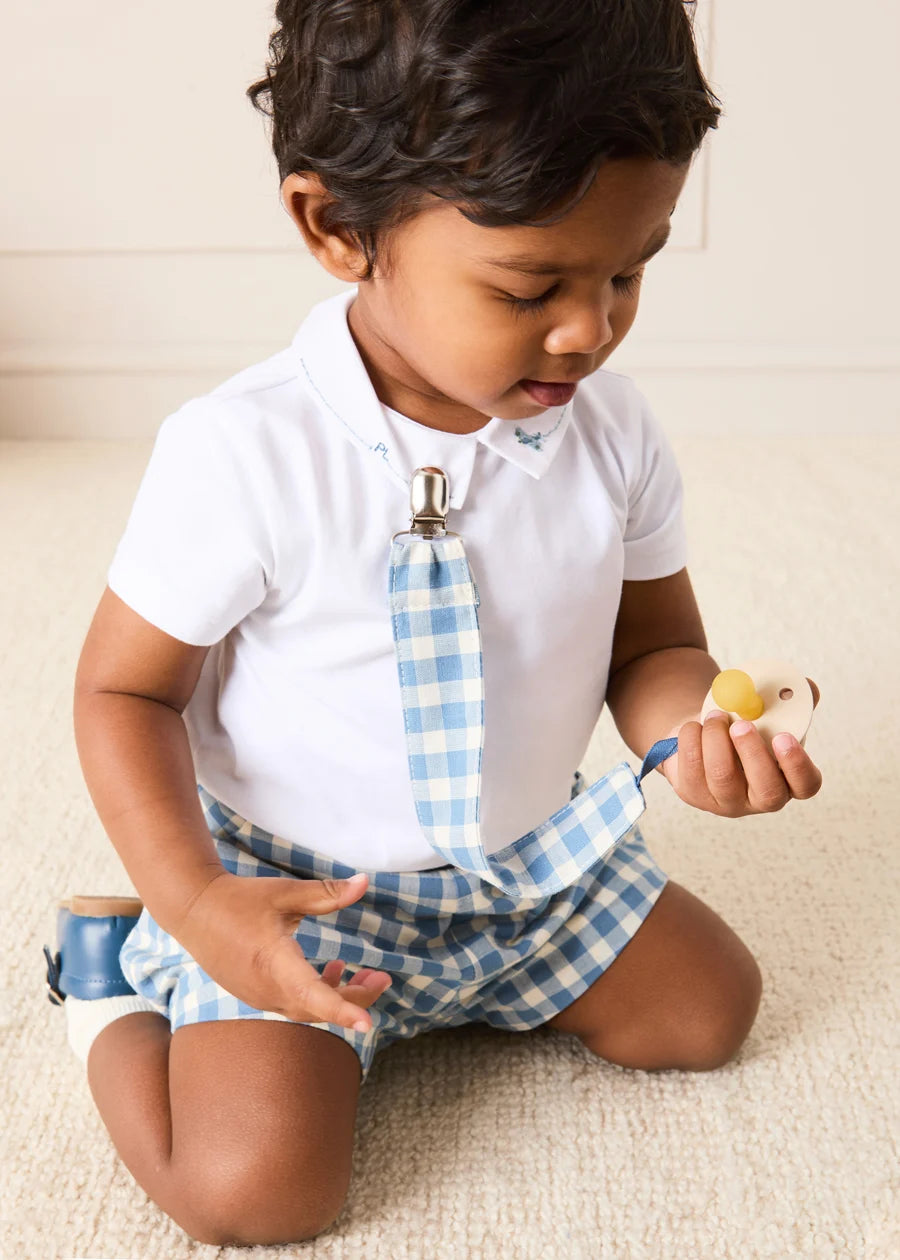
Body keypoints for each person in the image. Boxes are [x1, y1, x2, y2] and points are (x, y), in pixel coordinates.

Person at [46, 0, 823, 1247]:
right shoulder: (244, 454)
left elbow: (653, 648)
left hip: (527, 875)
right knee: (252, 1194)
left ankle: (476, 986)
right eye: (531, 285)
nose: (591, 328)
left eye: (630, 270)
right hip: (298, 893)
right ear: (336, 228)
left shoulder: (610, 434)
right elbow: (119, 694)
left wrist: (699, 736)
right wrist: (196, 904)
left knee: (707, 1013)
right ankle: (103, 986)